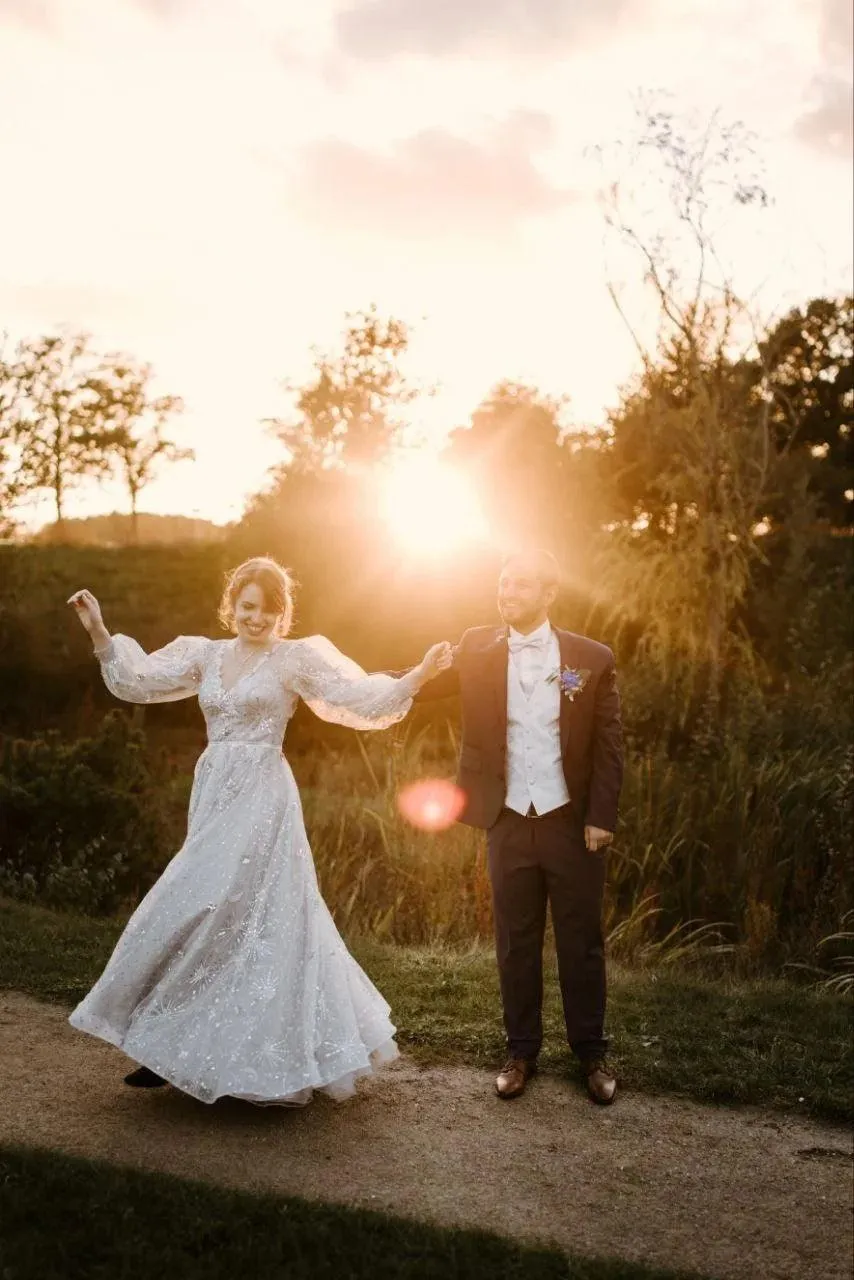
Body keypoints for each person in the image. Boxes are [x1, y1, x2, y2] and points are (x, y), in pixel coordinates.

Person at [66, 556, 452, 1106]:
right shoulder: (206, 654)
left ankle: (241, 1052)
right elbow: (139, 680)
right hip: (214, 791)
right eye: (247, 607)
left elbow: (357, 698)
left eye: (268, 610)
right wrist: (100, 631)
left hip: (263, 795)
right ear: (233, 607)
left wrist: (419, 674)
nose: (256, 618)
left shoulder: (293, 660)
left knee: (242, 911)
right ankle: (172, 1044)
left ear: (282, 613)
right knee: (195, 903)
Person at [392, 549, 623, 1105]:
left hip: (572, 823)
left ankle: (591, 1053)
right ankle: (521, 1052)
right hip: (508, 819)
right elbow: (419, 684)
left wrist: (600, 817)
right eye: (502, 583)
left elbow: (610, 746)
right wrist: (345, 686)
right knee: (515, 942)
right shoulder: (476, 647)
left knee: (581, 943)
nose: (507, 593)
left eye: (520, 585)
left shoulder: (591, 658)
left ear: (547, 593)